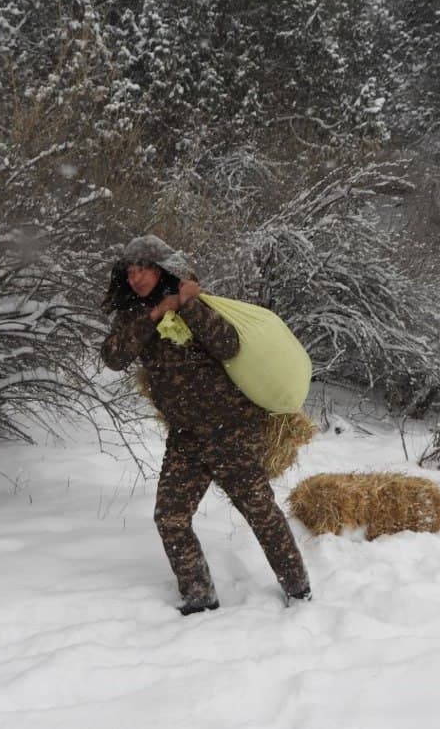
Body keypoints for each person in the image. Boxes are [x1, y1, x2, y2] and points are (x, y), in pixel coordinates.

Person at [101, 235, 311, 615]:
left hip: (230, 431)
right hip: (186, 438)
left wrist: (186, 305)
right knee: (171, 518)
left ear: (161, 269)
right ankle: (199, 595)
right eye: (130, 272)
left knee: (260, 511)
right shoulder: (133, 314)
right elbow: (114, 356)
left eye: (143, 269)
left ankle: (298, 588)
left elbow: (228, 345)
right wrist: (154, 314)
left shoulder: (194, 303)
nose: (136, 278)